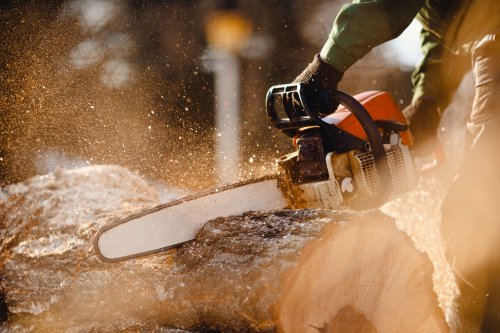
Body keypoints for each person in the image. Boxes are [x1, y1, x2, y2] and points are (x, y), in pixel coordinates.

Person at [291, 1, 500, 332]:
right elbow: (448, 29)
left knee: (475, 210)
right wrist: (427, 97)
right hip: (489, 43)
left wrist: (329, 63)